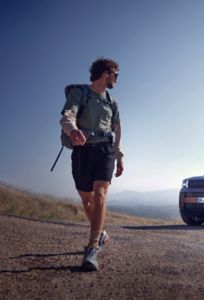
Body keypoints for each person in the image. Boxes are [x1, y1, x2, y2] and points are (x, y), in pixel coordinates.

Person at [60, 57, 124, 271]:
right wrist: (72, 130)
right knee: (87, 201)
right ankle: (101, 232)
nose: (117, 79)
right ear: (107, 72)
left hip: (105, 150)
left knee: (100, 195)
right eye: (116, 74)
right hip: (82, 152)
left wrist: (119, 155)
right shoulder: (80, 92)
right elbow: (67, 116)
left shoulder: (112, 101)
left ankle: (92, 247)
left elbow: (117, 128)